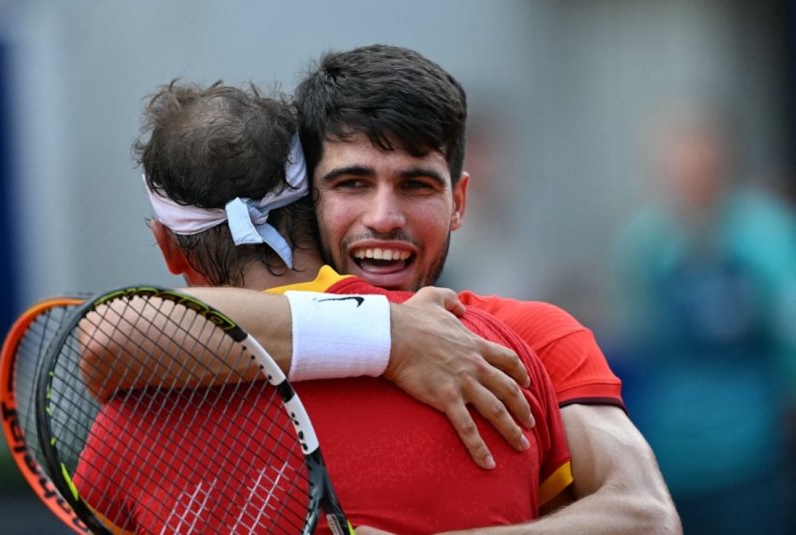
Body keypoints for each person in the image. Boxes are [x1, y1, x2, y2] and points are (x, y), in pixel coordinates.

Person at [74, 80, 572, 533]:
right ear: (314, 202)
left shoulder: (125, 428)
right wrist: (388, 337)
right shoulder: (493, 357)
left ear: (168, 246)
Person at [292, 44, 680, 533]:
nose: (384, 217)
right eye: (352, 183)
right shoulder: (258, 337)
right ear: (308, 199)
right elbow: (166, 322)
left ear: (458, 201)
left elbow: (649, 516)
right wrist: (387, 332)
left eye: (416, 186)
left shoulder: (535, 335)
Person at [610, 104, 796, 534]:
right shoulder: (647, 242)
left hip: (750, 454)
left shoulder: (765, 237)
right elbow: (640, 343)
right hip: (672, 453)